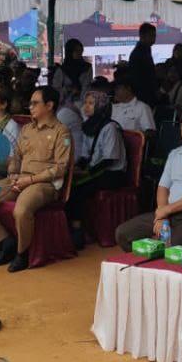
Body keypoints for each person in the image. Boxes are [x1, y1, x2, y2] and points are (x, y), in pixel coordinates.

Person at [0, 86, 73, 272]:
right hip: (20, 179)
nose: (30, 107)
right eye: (30, 103)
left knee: (21, 210)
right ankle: (4, 241)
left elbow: (60, 168)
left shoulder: (62, 132)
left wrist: (31, 180)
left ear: (49, 105)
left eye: (35, 103)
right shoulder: (27, 129)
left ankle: (22, 253)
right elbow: (16, 156)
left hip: (45, 185)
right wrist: (12, 171)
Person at [116, 108, 182, 251]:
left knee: (169, 248)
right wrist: (162, 214)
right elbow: (163, 187)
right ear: (181, 129)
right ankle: (145, 270)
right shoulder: (175, 154)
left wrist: (167, 210)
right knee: (124, 234)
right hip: (170, 212)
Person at [66, 87, 128, 248]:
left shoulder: (110, 128)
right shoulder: (88, 126)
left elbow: (110, 159)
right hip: (96, 170)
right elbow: (86, 156)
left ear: (101, 106)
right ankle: (69, 228)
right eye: (85, 103)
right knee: (67, 182)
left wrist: (87, 173)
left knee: (77, 189)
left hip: (113, 173)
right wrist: (76, 167)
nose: (86, 106)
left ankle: (78, 232)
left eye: (91, 103)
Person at [50, 38, 93, 107]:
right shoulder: (61, 70)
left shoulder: (87, 68)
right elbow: (56, 91)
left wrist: (83, 104)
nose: (79, 53)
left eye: (81, 51)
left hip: (82, 104)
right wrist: (67, 89)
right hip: (64, 106)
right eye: (76, 51)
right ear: (69, 52)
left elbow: (86, 87)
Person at [126, 22, 160, 107]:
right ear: (142, 36)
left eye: (154, 36)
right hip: (142, 95)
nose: (154, 39)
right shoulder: (139, 53)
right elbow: (140, 78)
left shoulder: (146, 50)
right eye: (151, 35)